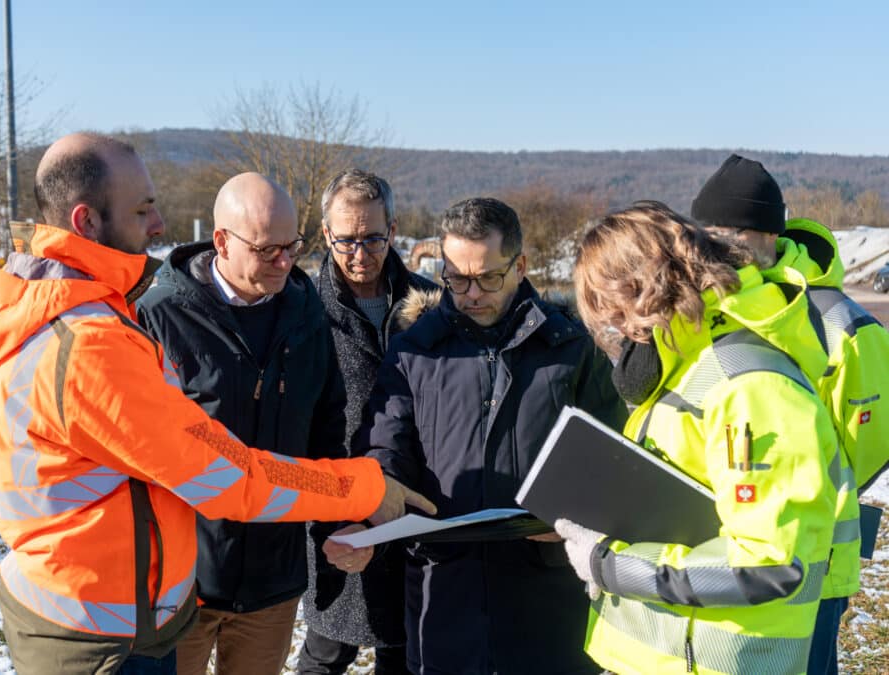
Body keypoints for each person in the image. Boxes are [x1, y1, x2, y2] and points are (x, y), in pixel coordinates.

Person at [0, 133, 434, 675]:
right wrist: (364, 488)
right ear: (87, 220)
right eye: (143, 209)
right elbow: (230, 475)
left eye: (292, 246)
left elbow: (319, 425)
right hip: (113, 633)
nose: (159, 224)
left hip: (104, 606)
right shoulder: (97, 339)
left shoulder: (34, 308)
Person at [559, 201, 840, 675]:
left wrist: (612, 566)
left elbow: (768, 562)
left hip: (723, 660)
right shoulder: (685, 360)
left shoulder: (750, 385)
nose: (616, 326)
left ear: (647, 285)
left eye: (614, 308)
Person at [358, 197, 628, 674]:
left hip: (546, 601)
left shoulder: (570, 349)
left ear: (520, 265)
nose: (471, 293)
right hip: (444, 594)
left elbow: (610, 455)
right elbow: (385, 445)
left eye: (487, 278)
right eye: (457, 279)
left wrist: (579, 513)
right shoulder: (413, 352)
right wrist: (377, 495)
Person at [136, 171, 354, 675]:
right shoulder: (158, 316)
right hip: (181, 585)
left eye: (292, 246)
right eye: (266, 249)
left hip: (272, 582)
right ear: (221, 242)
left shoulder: (308, 315)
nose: (283, 261)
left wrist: (337, 526)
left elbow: (326, 430)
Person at [692, 154, 889, 674]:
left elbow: (866, 448)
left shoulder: (843, 326)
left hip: (811, 562)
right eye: (708, 235)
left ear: (770, 237)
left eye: (733, 235)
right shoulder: (698, 306)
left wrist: (790, 489)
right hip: (713, 552)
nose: (720, 249)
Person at [297, 170, 438, 675]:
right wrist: (336, 515)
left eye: (373, 238)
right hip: (337, 501)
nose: (360, 253)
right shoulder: (304, 308)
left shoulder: (432, 305)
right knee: (328, 648)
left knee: (406, 649)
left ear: (393, 230)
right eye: (346, 240)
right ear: (325, 233)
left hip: (413, 502)